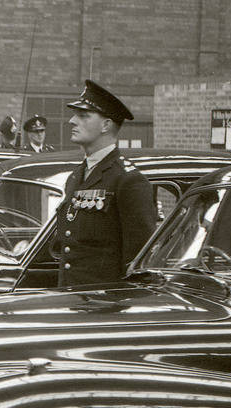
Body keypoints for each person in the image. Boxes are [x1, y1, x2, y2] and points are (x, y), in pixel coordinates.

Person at [53, 80, 155, 286]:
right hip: (71, 299)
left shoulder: (128, 181)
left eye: (83, 116)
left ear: (106, 125)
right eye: (75, 115)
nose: (72, 121)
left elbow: (138, 262)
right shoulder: (77, 176)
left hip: (104, 306)